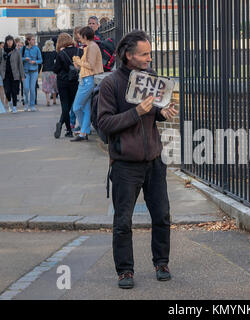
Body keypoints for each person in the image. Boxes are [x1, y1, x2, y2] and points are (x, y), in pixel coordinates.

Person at [98, 30, 178, 289]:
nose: (149, 58)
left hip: (154, 159)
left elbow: (152, 114)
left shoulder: (151, 78)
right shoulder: (111, 84)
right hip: (125, 163)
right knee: (123, 220)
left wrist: (162, 113)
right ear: (128, 55)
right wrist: (136, 112)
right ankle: (125, 271)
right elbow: (104, 123)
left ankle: (161, 263)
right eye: (144, 54)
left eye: (150, 53)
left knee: (162, 215)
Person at [70, 26, 103, 142]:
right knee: (85, 107)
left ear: (85, 36)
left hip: (87, 79)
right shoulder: (89, 47)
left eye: (80, 36)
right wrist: (77, 62)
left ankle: (84, 130)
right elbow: (84, 65)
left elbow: (90, 65)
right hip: (85, 78)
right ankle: (84, 132)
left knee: (77, 107)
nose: (79, 39)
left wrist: (79, 61)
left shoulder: (92, 47)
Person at [53, 33, 83, 139]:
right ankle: (65, 126)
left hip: (62, 81)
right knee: (72, 105)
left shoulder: (61, 54)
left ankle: (67, 129)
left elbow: (55, 69)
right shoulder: (80, 51)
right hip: (75, 81)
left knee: (65, 105)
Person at [0, 36, 25, 114]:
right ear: (6, 42)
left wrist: (22, 75)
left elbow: (20, 64)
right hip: (5, 74)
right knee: (7, 91)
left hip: (15, 74)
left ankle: (14, 106)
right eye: (8, 41)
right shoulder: (2, 51)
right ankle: (10, 102)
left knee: (14, 91)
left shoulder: (16, 51)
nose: (9, 42)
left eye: (11, 41)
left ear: (13, 42)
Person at [22, 34, 42, 112]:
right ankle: (26, 104)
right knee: (26, 88)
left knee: (32, 89)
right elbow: (19, 58)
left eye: (34, 39)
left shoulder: (37, 49)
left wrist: (35, 61)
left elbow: (41, 60)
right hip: (25, 72)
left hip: (34, 72)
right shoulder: (23, 49)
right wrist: (24, 59)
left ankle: (32, 105)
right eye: (33, 39)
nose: (34, 41)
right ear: (28, 41)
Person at [41, 39, 58, 106]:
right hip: (53, 71)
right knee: (54, 86)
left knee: (46, 86)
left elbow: (42, 62)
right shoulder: (54, 52)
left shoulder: (43, 53)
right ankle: (54, 100)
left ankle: (48, 100)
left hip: (45, 71)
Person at [15, 37, 25, 107]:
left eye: (21, 45)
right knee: (17, 84)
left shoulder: (23, 50)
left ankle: (22, 97)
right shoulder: (15, 51)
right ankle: (17, 97)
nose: (19, 46)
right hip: (16, 70)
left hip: (23, 69)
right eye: (18, 45)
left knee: (23, 84)